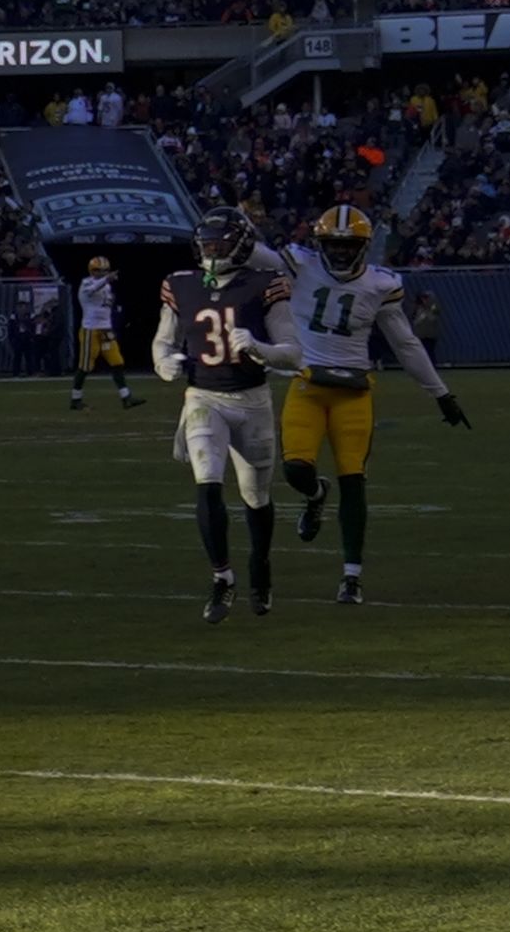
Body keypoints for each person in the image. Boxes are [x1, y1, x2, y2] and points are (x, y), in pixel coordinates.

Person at [245, 205, 470, 605]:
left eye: (349, 245)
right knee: (296, 469)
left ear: (364, 247)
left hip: (355, 392)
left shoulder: (381, 284)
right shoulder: (298, 264)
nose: (342, 252)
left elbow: (405, 344)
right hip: (307, 384)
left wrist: (441, 393)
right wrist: (232, 226)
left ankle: (352, 576)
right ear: (320, 244)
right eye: (334, 244)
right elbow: (250, 251)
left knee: (354, 480)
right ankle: (315, 496)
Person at [152, 209, 295, 623]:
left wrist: (260, 348)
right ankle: (222, 578)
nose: (212, 251)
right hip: (203, 398)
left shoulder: (264, 284)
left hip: (252, 400)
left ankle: (260, 566)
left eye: (220, 243)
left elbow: (293, 351)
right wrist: (166, 365)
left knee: (256, 497)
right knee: (207, 482)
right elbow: (162, 341)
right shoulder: (181, 284)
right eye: (207, 243)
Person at [72, 254, 143, 410]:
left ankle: (126, 397)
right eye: (99, 270)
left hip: (106, 328)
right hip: (91, 329)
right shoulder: (86, 283)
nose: (102, 273)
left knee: (117, 362)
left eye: (105, 270)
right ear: (92, 270)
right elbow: (91, 290)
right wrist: (106, 279)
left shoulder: (107, 286)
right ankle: (75, 399)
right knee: (85, 366)